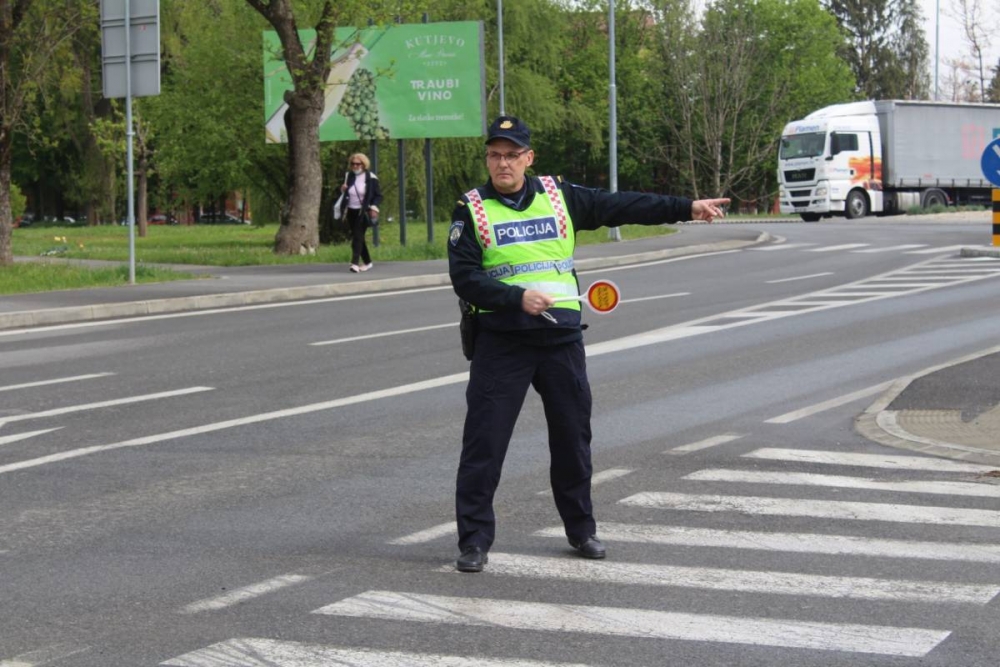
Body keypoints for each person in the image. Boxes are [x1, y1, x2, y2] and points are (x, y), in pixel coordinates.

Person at [447, 115, 730, 573]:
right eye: (495, 155)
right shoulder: (472, 208)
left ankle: (581, 530)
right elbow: (464, 277)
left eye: (512, 155)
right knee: (485, 443)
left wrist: (687, 207)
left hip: (560, 339)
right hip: (502, 341)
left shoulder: (559, 196)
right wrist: (516, 298)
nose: (503, 163)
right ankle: (474, 541)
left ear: (529, 158)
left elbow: (621, 205)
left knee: (572, 440)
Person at [339, 152, 382, 273]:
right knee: (359, 237)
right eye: (352, 164)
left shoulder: (371, 178)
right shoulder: (349, 176)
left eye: (358, 164)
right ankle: (368, 262)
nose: (355, 166)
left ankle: (355, 263)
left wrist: (373, 206)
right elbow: (346, 193)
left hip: (363, 211)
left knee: (357, 237)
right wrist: (343, 189)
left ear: (364, 164)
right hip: (350, 210)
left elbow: (378, 195)